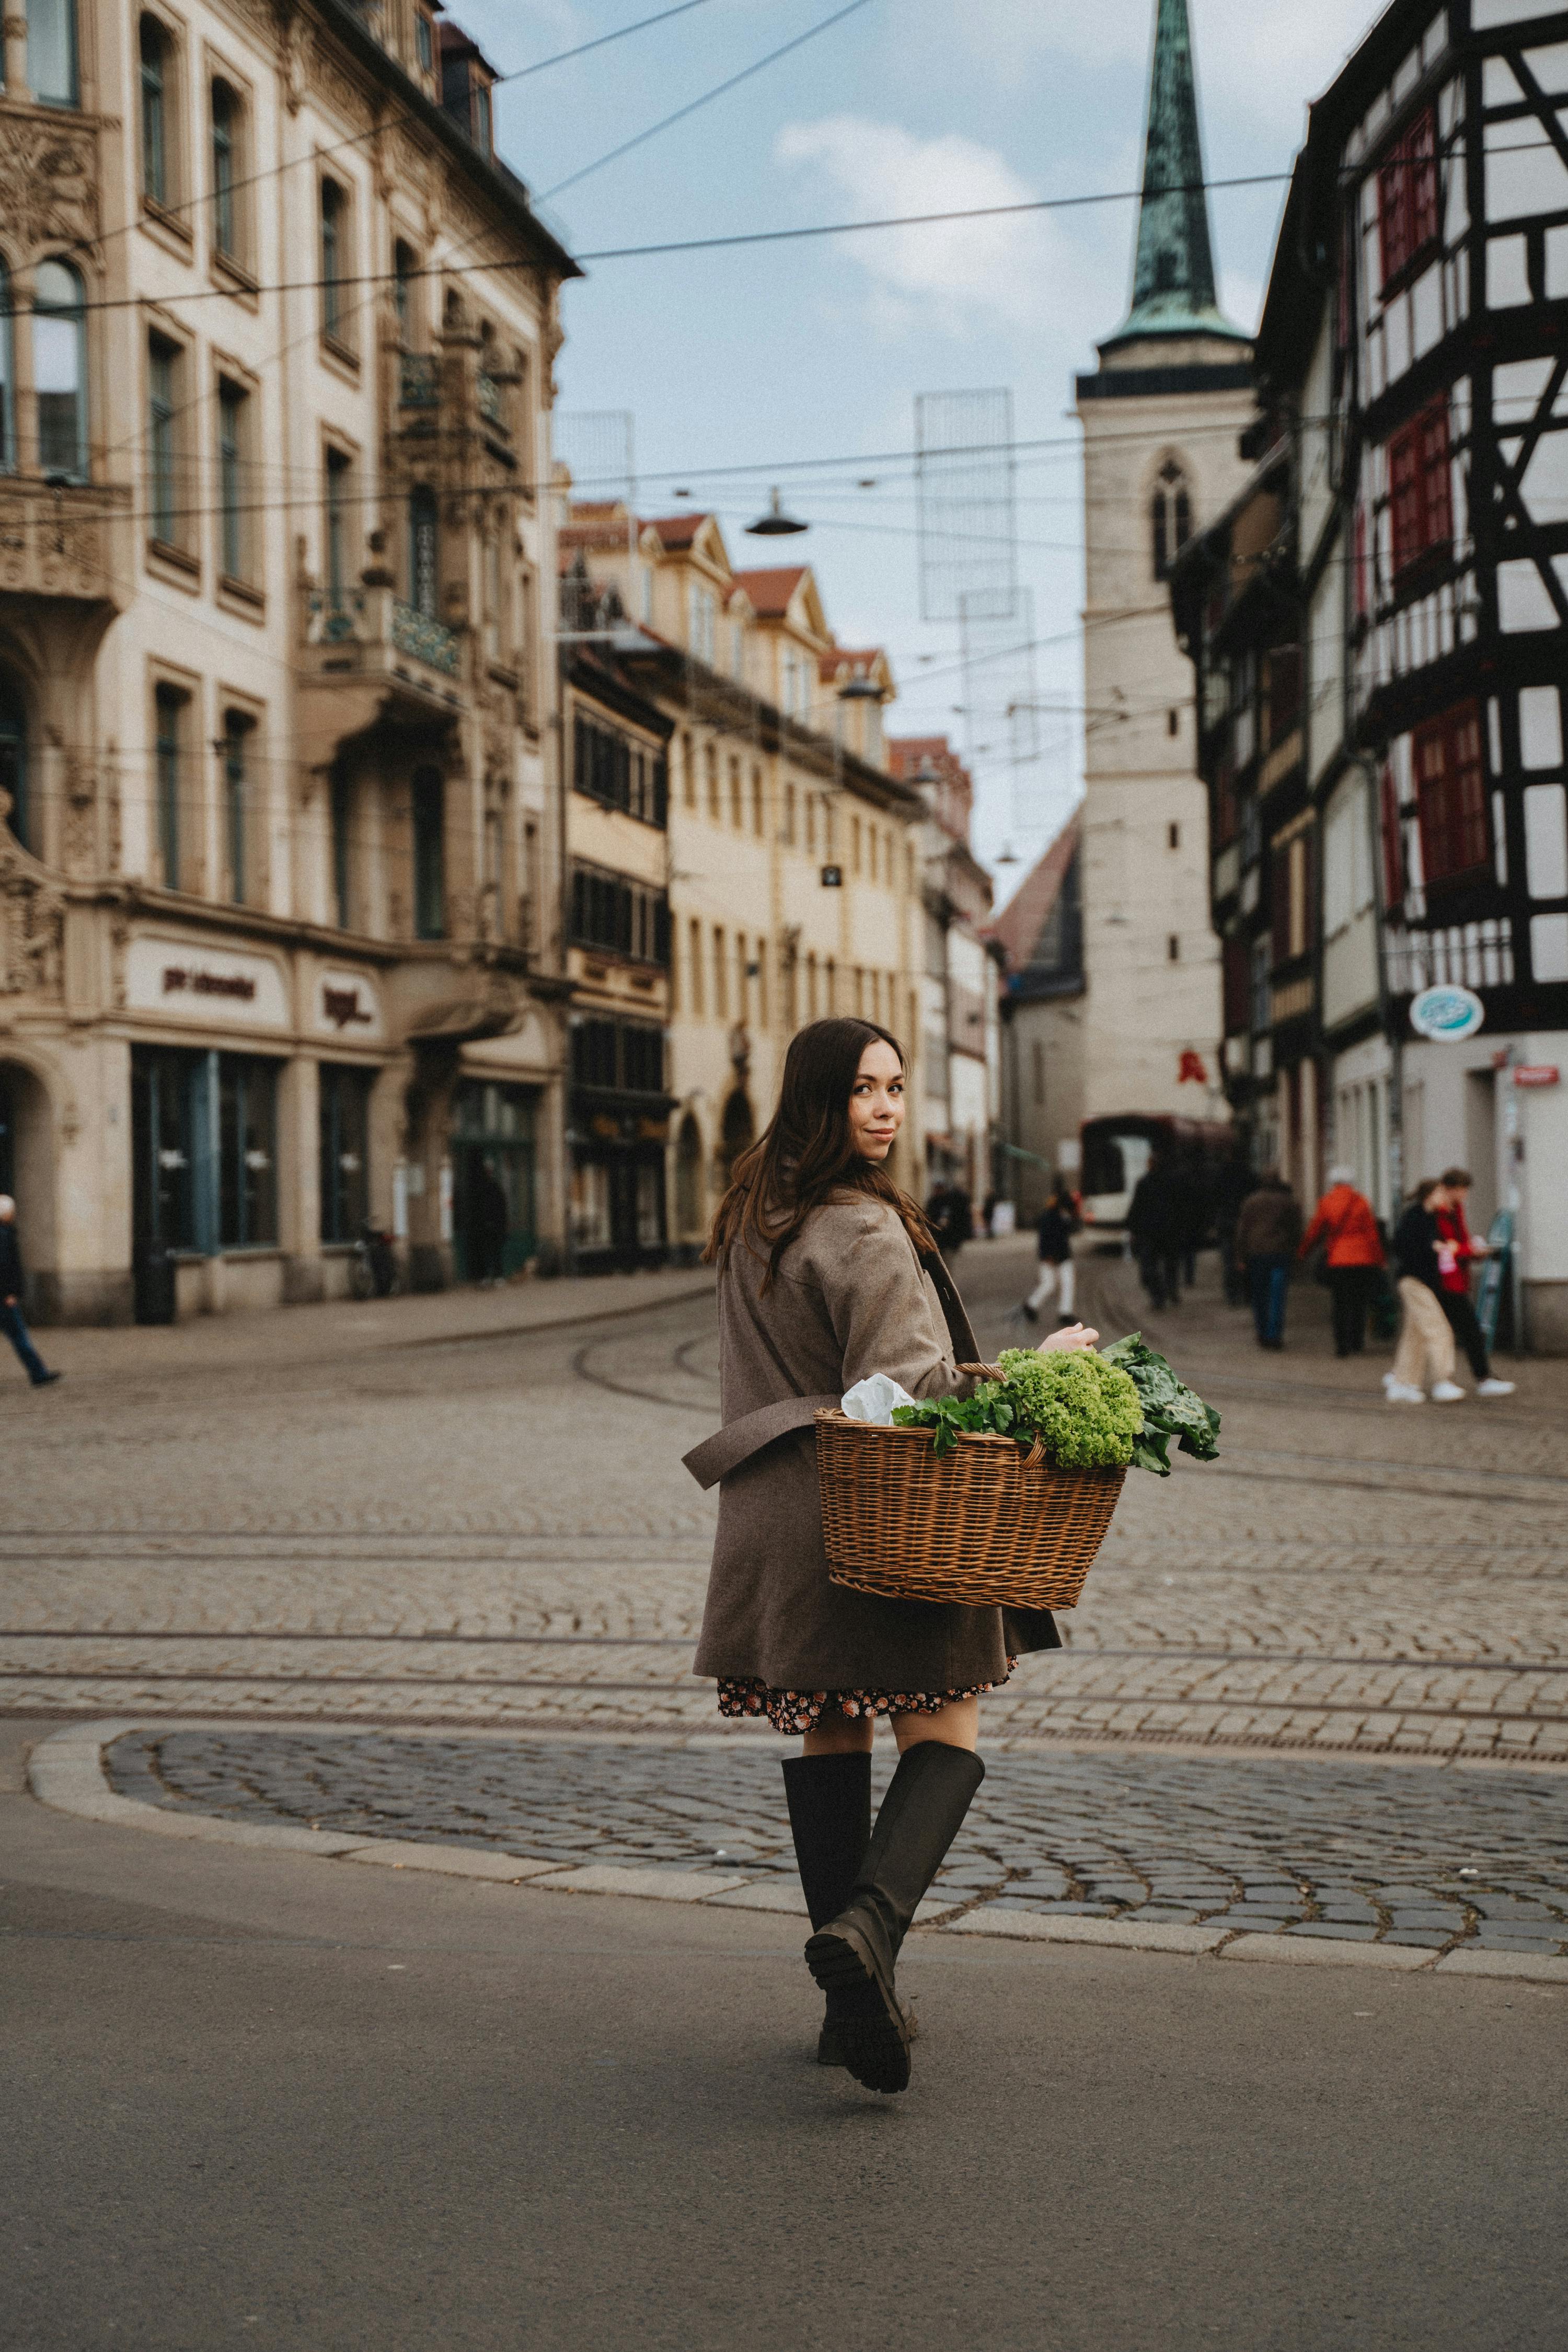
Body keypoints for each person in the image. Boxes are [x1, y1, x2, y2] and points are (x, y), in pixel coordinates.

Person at [687, 1018, 1099, 2096]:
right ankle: (868, 1934)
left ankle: (845, 2010)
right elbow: (911, 1396)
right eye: (863, 1089)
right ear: (819, 1098)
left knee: (832, 1732)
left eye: (897, 1087)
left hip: (773, 1512)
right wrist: (1030, 1370)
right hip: (873, 1510)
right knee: (946, 1726)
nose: (885, 1107)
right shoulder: (865, 1230)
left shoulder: (754, 1218)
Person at [1431, 1168, 1515, 1397]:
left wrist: (1471, 1250)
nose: (1466, 1195)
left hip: (1455, 1278)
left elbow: (1459, 1242)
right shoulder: (1439, 1213)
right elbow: (1449, 1245)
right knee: (1469, 1330)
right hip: (1446, 1280)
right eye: (1463, 1190)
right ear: (1452, 1189)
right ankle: (1481, 1378)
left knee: (1436, 1330)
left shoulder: (1454, 1209)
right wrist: (1472, 1250)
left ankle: (1405, 1378)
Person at [1386, 1179, 1462, 1403]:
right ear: (1431, 1195)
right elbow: (1403, 1246)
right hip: (1413, 1281)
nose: (1444, 1197)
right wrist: (1433, 1248)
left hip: (1422, 1281)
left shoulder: (1429, 1218)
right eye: (1441, 1193)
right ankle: (1442, 1380)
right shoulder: (1415, 1217)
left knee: (1416, 1334)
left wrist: (1440, 1247)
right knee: (1439, 1329)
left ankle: (1403, 1383)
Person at [1299, 1165, 1386, 1357]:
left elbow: (1315, 1230)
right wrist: (1380, 1259)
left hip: (1338, 1259)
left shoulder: (1327, 1202)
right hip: (1363, 1259)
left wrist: (1303, 1252)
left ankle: (1341, 1345)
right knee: (1359, 1301)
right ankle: (1357, 1341)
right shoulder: (1361, 1202)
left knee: (1340, 1303)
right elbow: (1372, 1234)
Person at [1234, 1169, 1302, 1349]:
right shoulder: (1287, 1202)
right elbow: (1296, 1229)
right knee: (1277, 1295)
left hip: (1257, 1254)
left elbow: (1242, 1231)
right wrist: (1296, 1251)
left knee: (1260, 1295)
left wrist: (1241, 1256)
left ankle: (1262, 1332)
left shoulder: (1251, 1202)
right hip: (1280, 1253)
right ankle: (1275, 1335)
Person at [0, 1196, 61, 1390]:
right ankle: (38, 1373)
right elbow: (5, 1266)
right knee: (19, 1336)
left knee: (19, 1336)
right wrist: (9, 1292)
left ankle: (39, 1373)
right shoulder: (4, 1234)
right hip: (4, 1298)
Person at [1126, 1150, 1185, 1309]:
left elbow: (1136, 1208)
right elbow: (1181, 1207)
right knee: (1170, 1265)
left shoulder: (1145, 1182)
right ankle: (1170, 1291)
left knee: (1151, 1266)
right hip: (1168, 1231)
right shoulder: (1172, 1182)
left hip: (1150, 1232)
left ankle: (1159, 1296)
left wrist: (1132, 1229)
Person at [1021, 1180, 1079, 1324]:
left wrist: (1045, 1254)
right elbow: (1048, 1237)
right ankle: (1060, 1311)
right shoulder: (1055, 1216)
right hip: (1056, 1256)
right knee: (1058, 1283)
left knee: (1055, 1283)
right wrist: (1047, 1255)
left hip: (1057, 1256)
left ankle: (1036, 1306)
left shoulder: (1053, 1215)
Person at [1214, 1149, 1257, 1307]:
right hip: (1245, 1222)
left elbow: (1214, 1197)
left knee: (1229, 1260)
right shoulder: (1249, 1175)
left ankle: (1232, 1295)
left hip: (1226, 1222)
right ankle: (1247, 1294)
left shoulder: (1221, 1175)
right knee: (1246, 1258)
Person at [472, 1161, 510, 1286]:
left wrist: (502, 1225)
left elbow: (502, 1209)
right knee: (485, 1253)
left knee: (496, 1253)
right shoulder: (480, 1190)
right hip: (484, 1228)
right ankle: (486, 1276)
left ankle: (497, 1275)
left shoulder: (495, 1188)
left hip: (495, 1227)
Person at [925, 1178, 971, 1261]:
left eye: (941, 1188)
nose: (939, 1190)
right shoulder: (932, 1202)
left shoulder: (950, 1201)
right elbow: (928, 1217)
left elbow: (957, 1218)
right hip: (936, 1236)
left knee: (947, 1260)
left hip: (947, 1238)